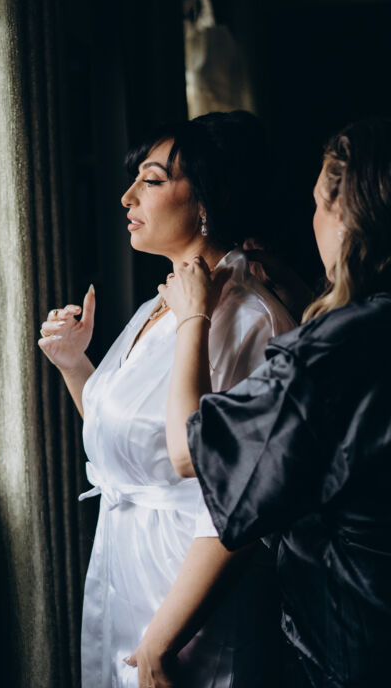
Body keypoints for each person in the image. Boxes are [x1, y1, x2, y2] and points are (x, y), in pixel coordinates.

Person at [38, 111, 295, 688]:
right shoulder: (161, 303)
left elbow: (241, 503)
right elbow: (135, 447)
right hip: (123, 572)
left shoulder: (248, 321)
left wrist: (162, 640)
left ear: (206, 202)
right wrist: (75, 364)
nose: (127, 195)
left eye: (151, 180)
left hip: (187, 601)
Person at [161, 117, 391, 687]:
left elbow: (189, 451)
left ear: (347, 215)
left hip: (356, 638)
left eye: (317, 204)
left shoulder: (325, 350)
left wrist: (193, 316)